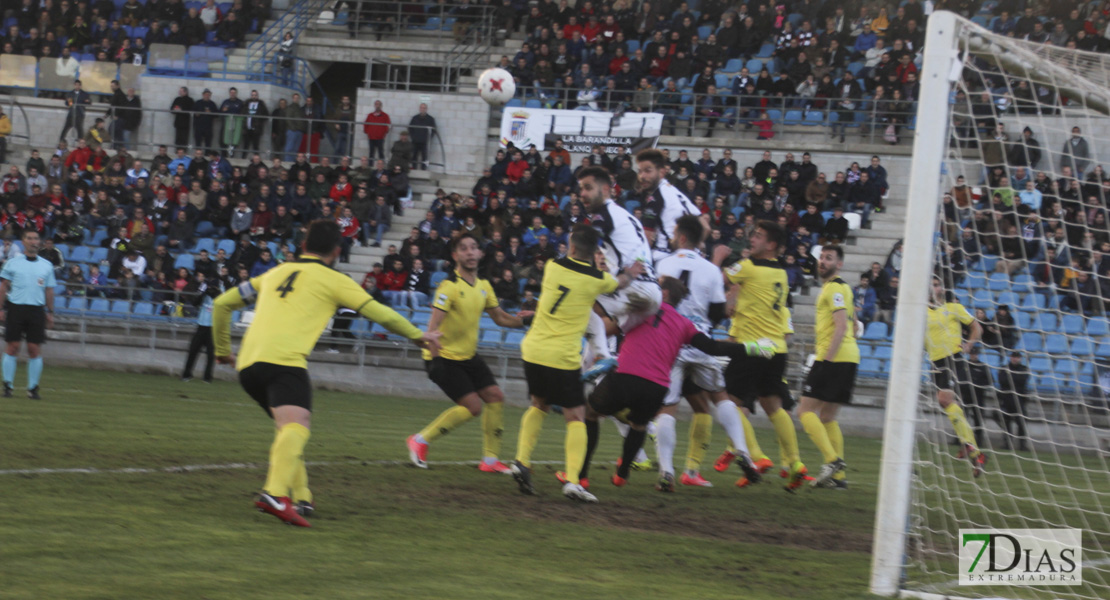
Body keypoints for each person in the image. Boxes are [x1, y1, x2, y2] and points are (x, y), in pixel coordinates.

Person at [211, 220, 440, 527]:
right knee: (297, 425)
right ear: (336, 251)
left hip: (249, 364)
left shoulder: (274, 272)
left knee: (288, 429)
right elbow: (379, 312)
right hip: (284, 361)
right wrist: (417, 335)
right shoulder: (334, 279)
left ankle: (302, 496)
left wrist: (222, 349)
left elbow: (222, 303)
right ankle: (275, 493)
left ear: (302, 246)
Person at [581, 276, 774, 489]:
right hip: (657, 387)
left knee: (590, 413)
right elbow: (713, 348)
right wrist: (751, 348)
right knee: (640, 424)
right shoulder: (684, 324)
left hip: (626, 375)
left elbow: (604, 327)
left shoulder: (641, 309)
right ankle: (622, 473)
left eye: (657, 286)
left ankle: (582, 473)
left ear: (663, 294)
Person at [510, 225, 642, 503]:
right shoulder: (597, 279)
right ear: (595, 253)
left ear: (570, 247)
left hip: (533, 349)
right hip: (562, 356)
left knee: (539, 404)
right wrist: (632, 272)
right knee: (577, 417)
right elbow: (618, 284)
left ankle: (521, 460)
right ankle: (572, 481)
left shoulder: (552, 266)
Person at [651, 215, 764, 490]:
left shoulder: (663, 264)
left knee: (667, 408)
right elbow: (717, 313)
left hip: (670, 342)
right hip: (699, 339)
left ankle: (666, 471)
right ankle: (743, 452)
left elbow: (653, 302)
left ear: (680, 237)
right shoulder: (711, 270)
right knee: (720, 397)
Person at [406, 234, 531, 473]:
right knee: (473, 407)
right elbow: (432, 330)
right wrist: (435, 359)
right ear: (455, 256)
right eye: (464, 249)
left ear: (481, 254)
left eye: (474, 247)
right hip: (444, 357)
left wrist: (525, 321)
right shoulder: (448, 287)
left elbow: (500, 318)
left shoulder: (484, 286)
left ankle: (490, 462)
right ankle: (420, 440)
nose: (470, 252)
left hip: (468, 357)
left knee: (495, 396)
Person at [714, 220, 809, 491]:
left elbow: (716, 279)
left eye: (758, 236)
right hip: (776, 349)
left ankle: (756, 456)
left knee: (727, 403)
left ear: (772, 246)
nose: (751, 239)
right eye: (752, 234)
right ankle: (795, 463)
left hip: (752, 347)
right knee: (773, 407)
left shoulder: (747, 266)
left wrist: (719, 257)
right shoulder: (780, 272)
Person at [575, 166, 662, 381]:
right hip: (652, 294)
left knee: (577, 300)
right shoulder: (626, 215)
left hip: (635, 287)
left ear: (605, 189)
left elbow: (587, 245)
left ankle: (602, 359)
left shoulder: (603, 215)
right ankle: (578, 382)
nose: (582, 194)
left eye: (588, 188)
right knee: (601, 331)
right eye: (580, 189)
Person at [798, 246, 859, 489]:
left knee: (804, 412)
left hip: (833, 357)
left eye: (829, 258)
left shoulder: (834, 288)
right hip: (850, 357)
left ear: (840, 264)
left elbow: (842, 326)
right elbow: (854, 325)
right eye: (822, 257)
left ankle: (832, 461)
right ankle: (838, 478)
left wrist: (826, 360)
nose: (823, 262)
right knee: (827, 417)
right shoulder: (842, 289)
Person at [925, 275, 988, 477]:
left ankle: (973, 448)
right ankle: (970, 446)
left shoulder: (953, 308)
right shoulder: (920, 312)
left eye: (937, 284)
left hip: (953, 358)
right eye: (931, 285)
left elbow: (977, 327)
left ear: (942, 288)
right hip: (935, 361)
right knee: (946, 404)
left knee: (944, 399)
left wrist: (969, 344)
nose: (934, 288)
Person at [0, 230, 56, 399]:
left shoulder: (46, 265)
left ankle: (32, 388)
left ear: (39, 242)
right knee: (13, 347)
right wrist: (1, 308)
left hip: (36, 310)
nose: (33, 241)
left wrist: (50, 312)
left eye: (36, 238)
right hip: (16, 309)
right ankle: (7, 386)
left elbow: (49, 290)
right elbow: (3, 287)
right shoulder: (13, 263)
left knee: (34, 349)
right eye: (29, 238)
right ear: (23, 241)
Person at [635, 149, 699, 262]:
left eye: (647, 171)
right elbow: (705, 224)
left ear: (662, 172)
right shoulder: (675, 192)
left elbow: (647, 238)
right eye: (640, 171)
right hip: (691, 255)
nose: (642, 176)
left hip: (665, 256)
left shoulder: (655, 197)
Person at [181, 273, 220, 382]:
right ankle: (186, 374)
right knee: (193, 350)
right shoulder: (204, 294)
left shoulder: (219, 294)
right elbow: (195, 302)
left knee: (211, 354)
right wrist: (204, 293)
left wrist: (214, 293)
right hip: (201, 326)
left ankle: (207, 377)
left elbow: (221, 302)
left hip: (212, 328)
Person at [997, 351, 1030, 451]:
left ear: (1020, 358)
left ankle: (1022, 445)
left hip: (1019, 399)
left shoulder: (1024, 369)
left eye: (1017, 357)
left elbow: (1022, 380)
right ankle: (1007, 443)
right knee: (1006, 422)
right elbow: (1002, 381)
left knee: (1021, 423)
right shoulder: (1004, 368)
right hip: (1006, 398)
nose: (1015, 359)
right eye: (1013, 357)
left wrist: (1011, 379)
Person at [408, 103, 437, 169]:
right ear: (419, 109)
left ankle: (423, 170)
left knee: (424, 157)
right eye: (421, 108)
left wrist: (428, 138)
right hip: (415, 141)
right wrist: (413, 137)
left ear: (426, 109)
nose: (422, 109)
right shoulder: (415, 118)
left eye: (424, 108)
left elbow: (433, 130)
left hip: (425, 142)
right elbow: (410, 128)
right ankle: (414, 169)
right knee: (414, 156)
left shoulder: (430, 119)